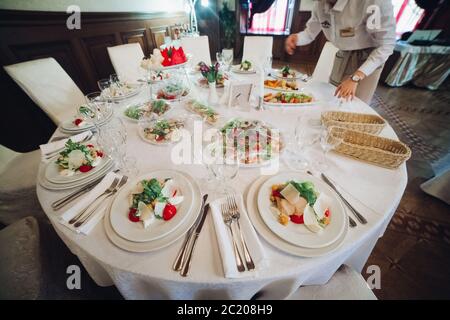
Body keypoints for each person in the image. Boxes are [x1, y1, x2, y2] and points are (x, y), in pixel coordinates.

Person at [285, 0, 396, 103]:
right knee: (332, 99)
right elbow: (310, 33)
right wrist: (297, 38)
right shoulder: (319, 4)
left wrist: (355, 78)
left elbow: (386, 45)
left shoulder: (374, 2)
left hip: (368, 60)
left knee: (355, 106)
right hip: (343, 55)